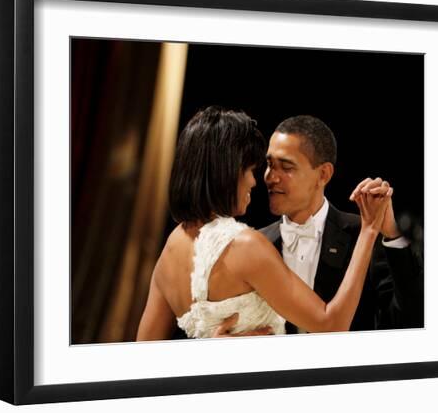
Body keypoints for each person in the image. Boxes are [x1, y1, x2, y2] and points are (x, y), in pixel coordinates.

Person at [137, 107, 393, 340]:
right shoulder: (246, 245)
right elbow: (332, 324)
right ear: (226, 172)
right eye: (250, 169)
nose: (256, 181)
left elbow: (145, 356)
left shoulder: (171, 247)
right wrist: (370, 229)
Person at [215, 115, 423, 336]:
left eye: (285, 167)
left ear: (323, 174)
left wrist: (391, 235)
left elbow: (408, 319)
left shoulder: (364, 235)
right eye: (269, 164)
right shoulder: (254, 244)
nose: (270, 177)